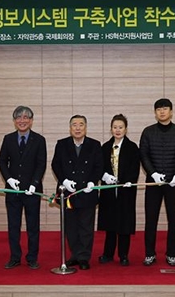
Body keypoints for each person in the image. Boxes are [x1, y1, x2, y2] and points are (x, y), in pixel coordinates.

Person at [139, 98, 175, 267]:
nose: (162, 111)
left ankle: (171, 254)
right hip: (153, 183)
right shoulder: (147, 132)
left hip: (173, 184)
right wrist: (152, 174)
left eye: (165, 109)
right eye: (159, 109)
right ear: (155, 112)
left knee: (173, 220)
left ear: (171, 111)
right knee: (150, 219)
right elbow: (144, 155)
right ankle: (149, 254)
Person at [0, 106, 47, 270]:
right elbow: (2, 161)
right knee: (13, 225)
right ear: (14, 121)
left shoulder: (39, 140)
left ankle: (32, 257)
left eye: (26, 117)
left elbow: (41, 164)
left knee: (33, 225)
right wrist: (9, 179)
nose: (22, 120)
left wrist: (34, 183)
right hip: (13, 190)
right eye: (19, 118)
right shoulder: (8, 138)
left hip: (32, 190)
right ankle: (15, 257)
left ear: (31, 121)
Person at [51, 115, 103, 270]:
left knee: (86, 227)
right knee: (71, 227)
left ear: (86, 127)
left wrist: (92, 182)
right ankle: (75, 255)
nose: (78, 128)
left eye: (81, 124)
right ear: (70, 127)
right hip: (68, 193)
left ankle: (84, 257)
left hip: (87, 191)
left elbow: (99, 166)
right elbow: (56, 164)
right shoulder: (62, 144)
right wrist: (64, 180)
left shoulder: (94, 144)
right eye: (74, 125)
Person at [97, 114, 140, 267]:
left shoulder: (132, 147)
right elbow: (99, 166)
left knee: (124, 224)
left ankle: (123, 255)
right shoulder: (105, 147)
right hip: (109, 190)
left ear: (126, 129)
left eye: (120, 127)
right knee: (110, 224)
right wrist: (104, 175)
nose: (117, 130)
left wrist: (129, 181)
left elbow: (135, 168)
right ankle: (108, 254)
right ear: (111, 129)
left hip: (125, 190)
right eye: (115, 127)